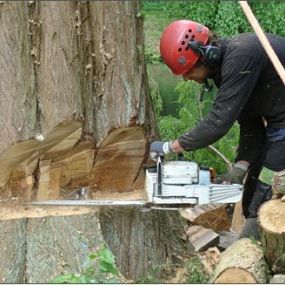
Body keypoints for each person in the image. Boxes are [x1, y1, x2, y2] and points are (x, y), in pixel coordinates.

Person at [150, 20, 285, 239]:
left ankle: (250, 247)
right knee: (251, 192)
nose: (186, 77)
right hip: (278, 122)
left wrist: (169, 147)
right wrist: (241, 167)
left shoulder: (241, 56)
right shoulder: (226, 69)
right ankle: (250, 251)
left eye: (189, 69)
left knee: (266, 189)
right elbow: (251, 123)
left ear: (206, 54)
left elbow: (218, 122)